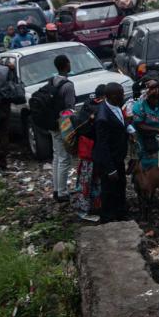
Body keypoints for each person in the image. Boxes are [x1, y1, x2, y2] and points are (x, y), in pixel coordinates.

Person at [130, 76, 159, 198]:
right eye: (151, 90)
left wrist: (158, 84)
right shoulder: (139, 106)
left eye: (156, 90)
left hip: (158, 131)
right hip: (143, 135)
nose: (155, 99)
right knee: (145, 160)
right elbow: (139, 125)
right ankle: (144, 187)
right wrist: (156, 130)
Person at [92, 82, 132, 222]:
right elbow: (102, 145)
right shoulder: (102, 118)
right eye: (121, 94)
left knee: (121, 185)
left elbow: (120, 122)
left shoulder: (114, 106)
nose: (123, 97)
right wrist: (110, 169)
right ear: (113, 96)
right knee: (108, 189)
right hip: (108, 160)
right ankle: (107, 218)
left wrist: (127, 128)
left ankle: (121, 212)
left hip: (117, 156)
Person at [72, 85, 105, 222]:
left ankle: (91, 207)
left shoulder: (87, 105)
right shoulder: (99, 110)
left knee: (88, 180)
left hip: (86, 150)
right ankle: (83, 210)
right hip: (91, 151)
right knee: (89, 181)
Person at [48, 55, 78, 203]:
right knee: (65, 159)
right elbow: (70, 109)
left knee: (56, 157)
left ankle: (56, 189)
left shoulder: (52, 80)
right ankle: (62, 192)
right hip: (62, 125)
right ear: (66, 65)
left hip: (52, 123)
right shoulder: (68, 85)